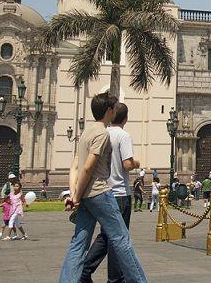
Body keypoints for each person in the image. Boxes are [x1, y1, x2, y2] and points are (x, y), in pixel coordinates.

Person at [58, 92, 148, 283]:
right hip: (100, 193)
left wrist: (76, 194)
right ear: (108, 111)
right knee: (121, 239)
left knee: (79, 243)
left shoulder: (85, 133)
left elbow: (75, 166)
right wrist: (76, 197)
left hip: (86, 197)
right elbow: (88, 167)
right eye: (113, 109)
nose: (115, 112)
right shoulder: (102, 134)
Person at [80, 102, 140, 283]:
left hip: (104, 191)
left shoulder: (103, 133)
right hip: (121, 193)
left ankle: (85, 269)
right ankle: (115, 279)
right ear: (126, 118)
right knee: (119, 239)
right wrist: (137, 163)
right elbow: (127, 164)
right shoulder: (123, 135)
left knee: (106, 236)